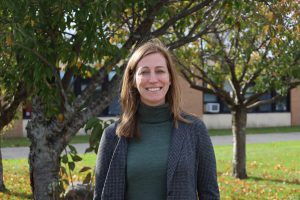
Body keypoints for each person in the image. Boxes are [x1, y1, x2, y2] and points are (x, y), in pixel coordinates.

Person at [93, 39, 220, 200]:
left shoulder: (195, 130)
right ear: (133, 80)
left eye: (160, 71)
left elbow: (210, 194)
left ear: (170, 78)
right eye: (144, 72)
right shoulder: (112, 136)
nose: (153, 79)